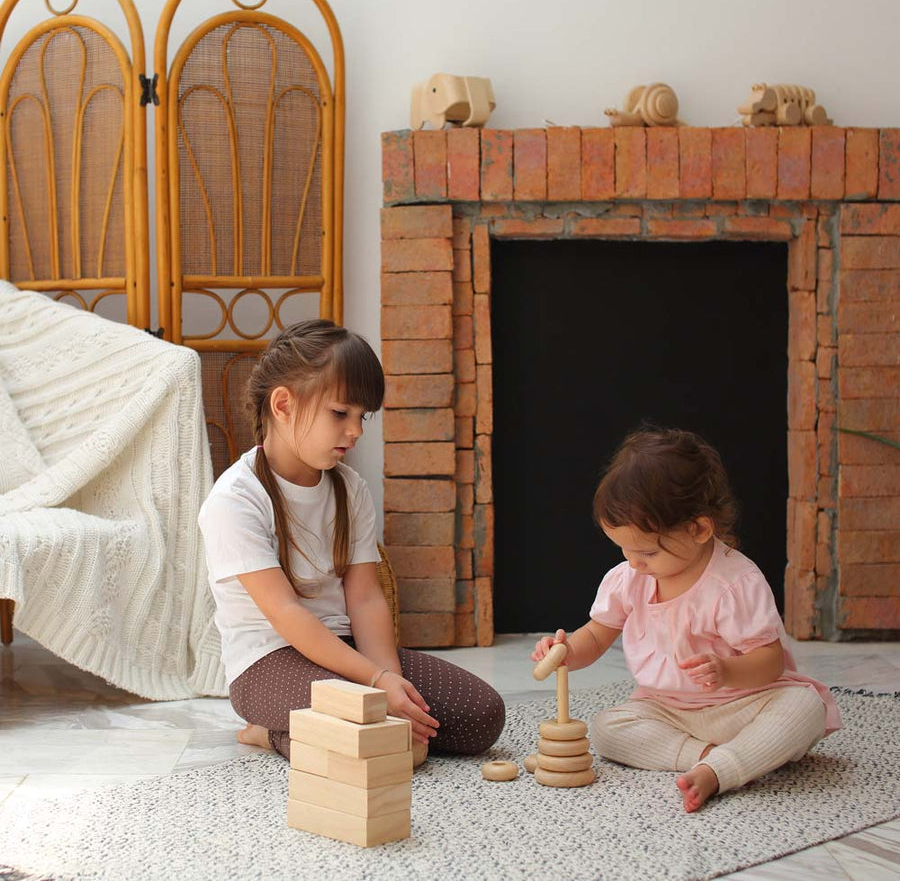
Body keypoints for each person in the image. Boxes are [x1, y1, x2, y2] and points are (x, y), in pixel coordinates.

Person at [199, 319, 504, 762]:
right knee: (387, 744)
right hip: (267, 664)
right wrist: (376, 685)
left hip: (346, 651)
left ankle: (355, 723)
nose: (356, 430)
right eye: (340, 413)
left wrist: (392, 683)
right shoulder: (235, 500)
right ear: (283, 405)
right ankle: (267, 733)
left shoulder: (350, 489)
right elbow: (286, 613)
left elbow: (365, 599)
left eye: (362, 417)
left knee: (482, 715)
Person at [531, 427, 840, 812]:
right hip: (668, 710)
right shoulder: (630, 578)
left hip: (743, 703)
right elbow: (595, 635)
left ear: (698, 529)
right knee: (607, 729)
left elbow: (770, 661)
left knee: (804, 707)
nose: (633, 562)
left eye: (645, 551)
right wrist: (566, 651)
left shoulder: (733, 583)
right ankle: (711, 757)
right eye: (624, 549)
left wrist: (727, 671)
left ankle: (722, 767)